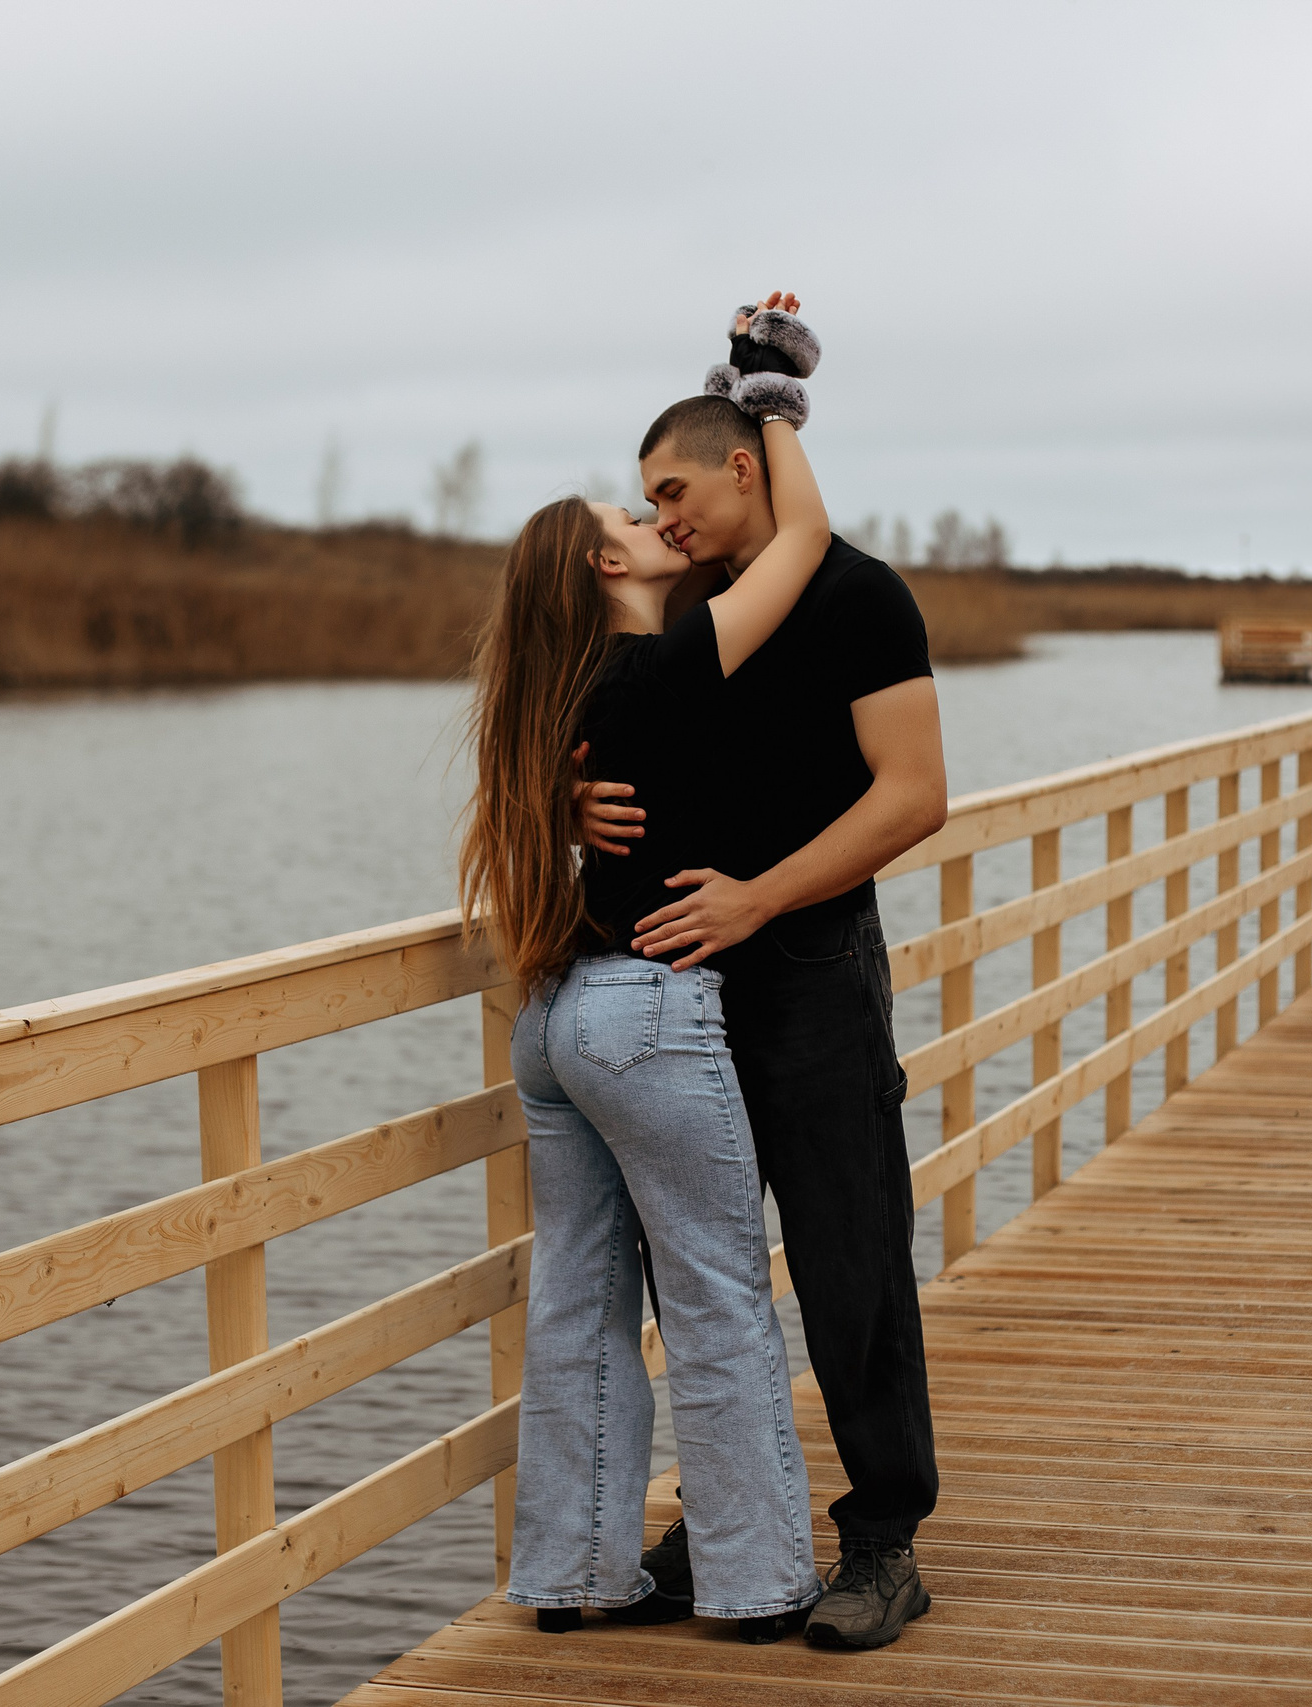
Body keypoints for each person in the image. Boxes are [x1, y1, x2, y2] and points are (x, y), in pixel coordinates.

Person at [458, 297, 833, 1647]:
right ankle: (753, 1581)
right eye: (628, 523)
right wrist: (775, 402)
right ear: (603, 577)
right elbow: (801, 540)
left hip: (555, 1017)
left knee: (576, 1301)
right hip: (645, 1016)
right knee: (721, 1296)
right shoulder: (665, 667)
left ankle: (575, 1571)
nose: (653, 522)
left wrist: (727, 384)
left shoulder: (566, 704)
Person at [577, 368, 949, 1650]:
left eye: (670, 489)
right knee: (703, 1277)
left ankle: (885, 1539)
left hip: (809, 977)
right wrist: (567, 804)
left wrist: (759, 903)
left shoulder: (854, 596)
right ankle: (734, 1521)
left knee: (850, 1262)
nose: (659, 517)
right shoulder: (691, 617)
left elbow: (911, 797)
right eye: (643, 503)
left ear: (743, 466)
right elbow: (594, 749)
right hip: (678, 997)